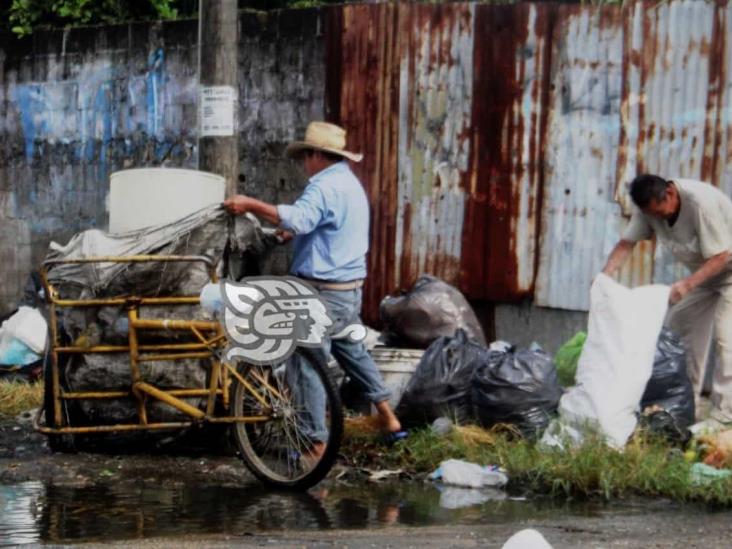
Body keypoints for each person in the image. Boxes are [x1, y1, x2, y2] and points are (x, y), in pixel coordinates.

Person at [223, 121, 404, 457]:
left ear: (319, 155)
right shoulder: (349, 184)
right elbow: (325, 225)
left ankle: (314, 441)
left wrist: (250, 204)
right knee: (351, 350)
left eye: (306, 155)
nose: (304, 163)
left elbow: (300, 218)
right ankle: (390, 419)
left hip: (322, 292)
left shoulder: (322, 187)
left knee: (304, 361)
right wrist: (296, 235)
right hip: (348, 290)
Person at [602, 174, 732, 428]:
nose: (658, 220)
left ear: (670, 193)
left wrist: (686, 285)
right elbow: (626, 243)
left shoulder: (699, 204)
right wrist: (604, 277)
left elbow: (722, 256)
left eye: (660, 212)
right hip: (707, 274)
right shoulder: (649, 208)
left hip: (726, 267)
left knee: (725, 339)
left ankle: (725, 416)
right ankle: (684, 403)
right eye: (652, 215)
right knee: (678, 329)